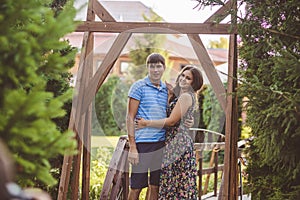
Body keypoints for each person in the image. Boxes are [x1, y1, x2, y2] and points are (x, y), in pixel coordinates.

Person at [126, 53, 193, 200]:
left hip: (161, 145)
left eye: (158, 66)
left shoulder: (167, 90)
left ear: (164, 68)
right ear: (147, 68)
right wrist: (132, 147)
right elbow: (130, 117)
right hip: (142, 144)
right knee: (136, 187)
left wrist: (188, 121)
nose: (155, 70)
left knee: (155, 186)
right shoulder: (138, 87)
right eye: (152, 66)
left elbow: (176, 112)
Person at [136, 65, 203, 199]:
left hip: (178, 145)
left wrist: (146, 123)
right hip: (173, 143)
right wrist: (171, 95)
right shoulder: (182, 96)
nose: (183, 79)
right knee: (172, 184)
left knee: (176, 184)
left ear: (193, 83)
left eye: (188, 78)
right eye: (183, 75)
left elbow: (171, 121)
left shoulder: (186, 97)